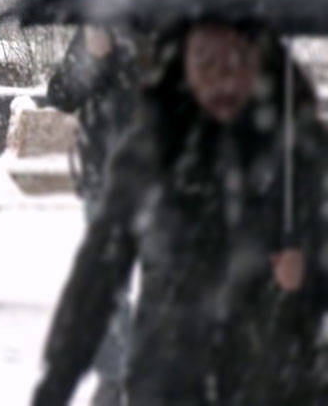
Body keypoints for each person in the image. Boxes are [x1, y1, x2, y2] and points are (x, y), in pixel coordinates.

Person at [34, 23, 328, 406]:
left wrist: (309, 274)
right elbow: (98, 276)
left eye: (236, 60)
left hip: (277, 375)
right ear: (183, 64)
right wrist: (57, 382)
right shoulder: (153, 147)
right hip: (173, 373)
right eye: (206, 61)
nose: (222, 78)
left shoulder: (296, 147)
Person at [45, 26, 144, 406]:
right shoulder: (100, 24)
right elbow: (62, 94)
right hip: (104, 175)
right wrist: (91, 57)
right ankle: (115, 377)